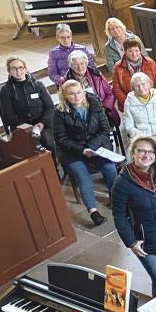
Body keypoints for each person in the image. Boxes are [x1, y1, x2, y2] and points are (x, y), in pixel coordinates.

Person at [111, 135, 156, 296]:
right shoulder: (122, 182)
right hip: (145, 243)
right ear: (132, 153)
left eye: (151, 152)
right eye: (141, 151)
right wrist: (131, 242)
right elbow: (119, 216)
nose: (146, 155)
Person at [53, 80, 118, 226]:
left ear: (83, 91)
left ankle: (116, 200)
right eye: (71, 94)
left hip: (96, 147)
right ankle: (93, 212)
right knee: (83, 178)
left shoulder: (94, 104)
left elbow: (105, 129)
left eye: (78, 92)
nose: (76, 97)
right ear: (65, 96)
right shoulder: (59, 112)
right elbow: (61, 139)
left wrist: (91, 147)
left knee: (110, 168)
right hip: (73, 152)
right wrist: (82, 150)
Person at [0, 56, 55, 151]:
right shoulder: (6, 90)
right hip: (20, 128)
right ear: (9, 71)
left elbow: (50, 107)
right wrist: (28, 128)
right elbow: (8, 116)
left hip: (42, 125)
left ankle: (53, 165)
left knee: (47, 141)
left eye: (20, 67)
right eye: (14, 68)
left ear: (25, 69)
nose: (18, 71)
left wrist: (42, 123)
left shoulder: (38, 85)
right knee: (28, 147)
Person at [65, 50, 118, 127]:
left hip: (103, 112)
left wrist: (104, 108)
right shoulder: (67, 81)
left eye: (82, 63)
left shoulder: (96, 74)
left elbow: (109, 93)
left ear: (86, 63)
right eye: (76, 65)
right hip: (82, 117)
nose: (80, 67)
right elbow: (66, 103)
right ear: (71, 66)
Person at [112, 37, 156, 107]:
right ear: (125, 52)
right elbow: (117, 89)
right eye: (130, 51)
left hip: (153, 102)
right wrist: (130, 104)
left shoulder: (150, 62)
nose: (134, 54)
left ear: (140, 51)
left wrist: (155, 99)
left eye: (136, 51)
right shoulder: (118, 67)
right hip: (130, 104)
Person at [120, 72, 156, 142]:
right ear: (133, 88)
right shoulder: (129, 102)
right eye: (137, 86)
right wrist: (146, 138)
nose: (141, 88)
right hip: (141, 138)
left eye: (143, 84)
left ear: (149, 84)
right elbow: (129, 126)